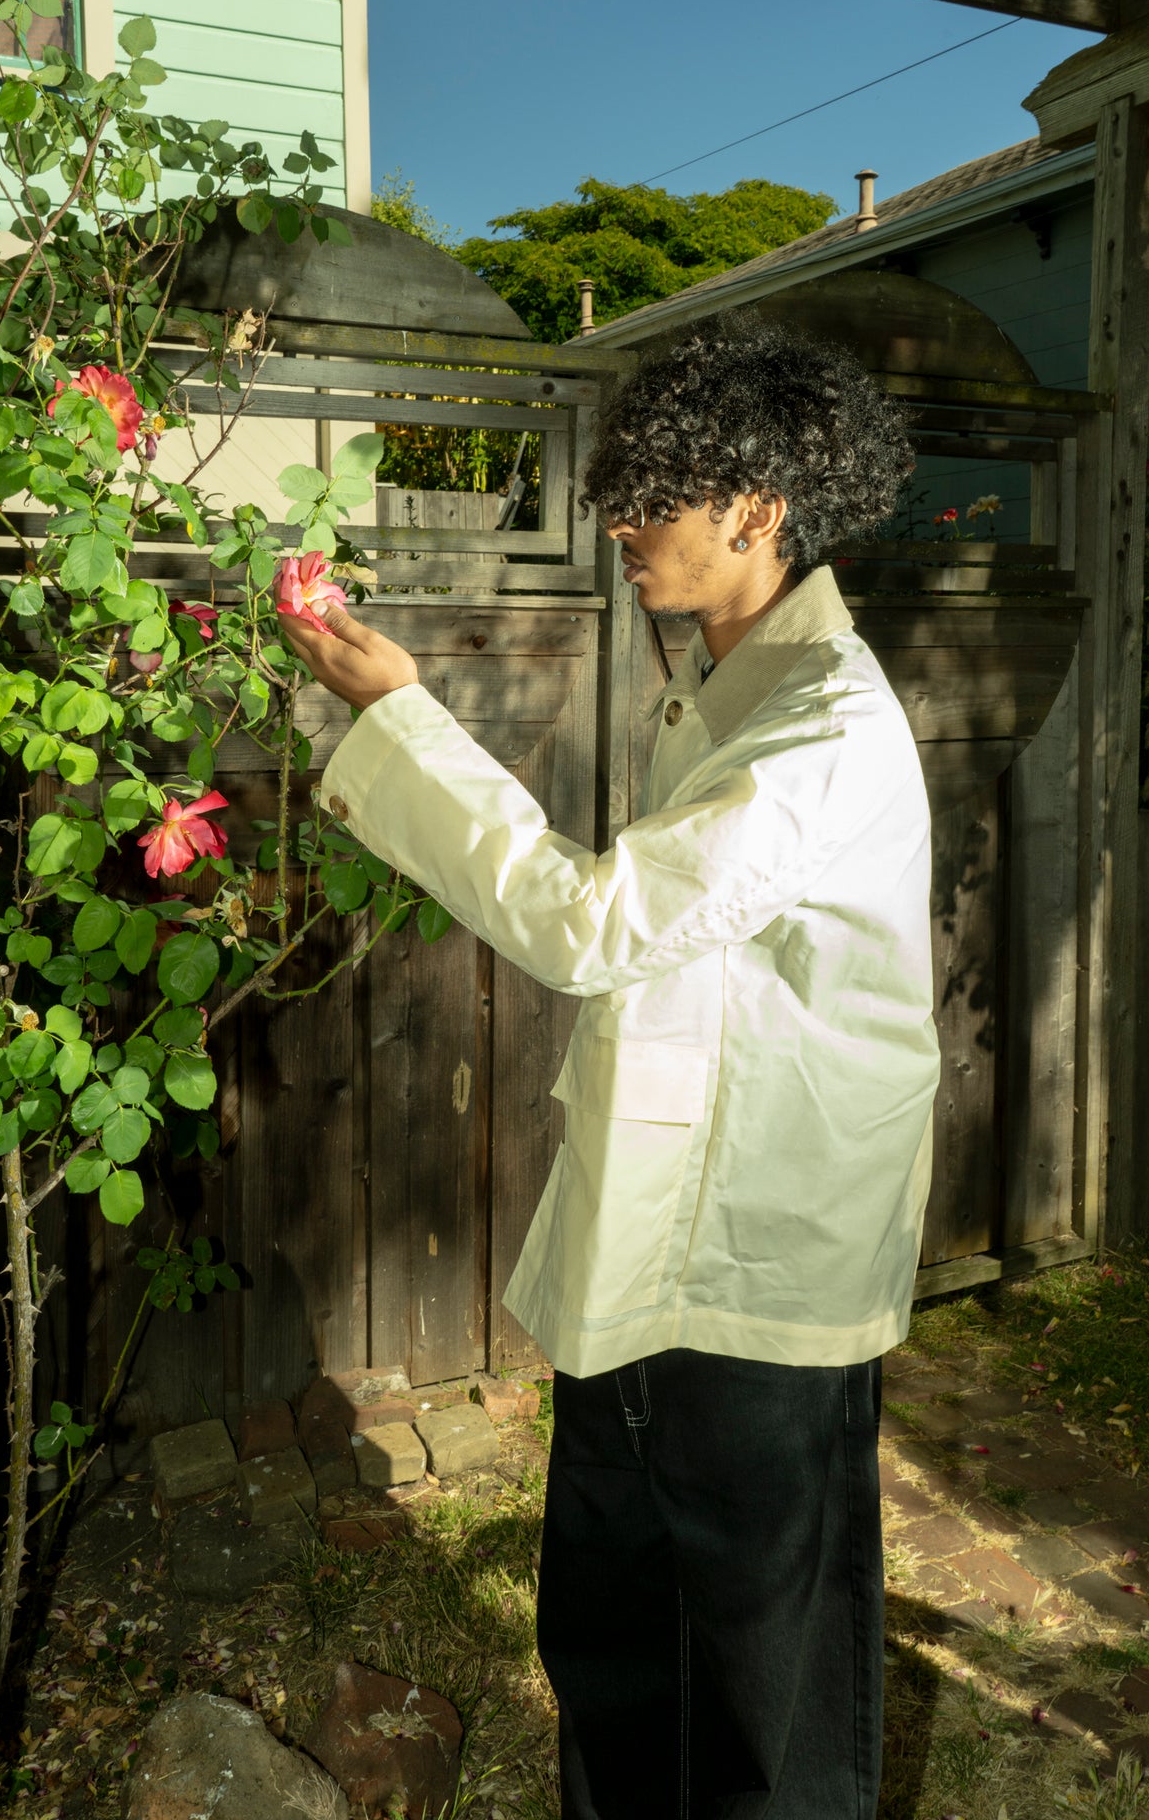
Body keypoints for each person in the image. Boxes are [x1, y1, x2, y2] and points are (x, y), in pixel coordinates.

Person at [280, 310, 941, 1820]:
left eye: (658, 495)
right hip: (660, 1225)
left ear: (760, 510)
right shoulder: (723, 685)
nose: (622, 523)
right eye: (622, 489)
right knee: (610, 1608)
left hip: (761, 1255)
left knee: (766, 1661)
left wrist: (401, 719)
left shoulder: (822, 730)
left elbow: (593, 925)